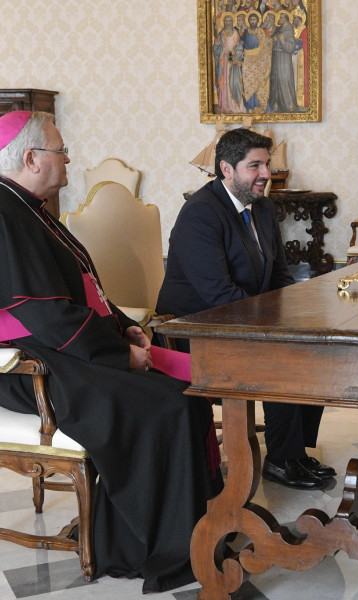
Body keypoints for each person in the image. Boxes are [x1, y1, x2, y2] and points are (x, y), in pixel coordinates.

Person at [0, 111, 223, 593]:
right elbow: (45, 314)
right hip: (29, 367)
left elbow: (86, 292)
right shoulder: (3, 212)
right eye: (61, 150)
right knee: (167, 404)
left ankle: (199, 525)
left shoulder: (28, 207)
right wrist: (122, 357)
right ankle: (151, 547)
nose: (68, 157)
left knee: (184, 388)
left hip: (62, 349)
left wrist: (124, 328)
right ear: (32, 158)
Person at [156, 128, 335, 490]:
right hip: (196, 330)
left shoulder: (265, 208)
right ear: (226, 169)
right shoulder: (200, 215)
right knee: (281, 353)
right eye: (254, 166)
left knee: (311, 343)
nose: (266, 174)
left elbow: (280, 276)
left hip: (240, 320)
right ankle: (282, 461)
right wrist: (276, 324)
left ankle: (293, 452)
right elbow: (219, 295)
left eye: (266, 164)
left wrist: (301, 313)